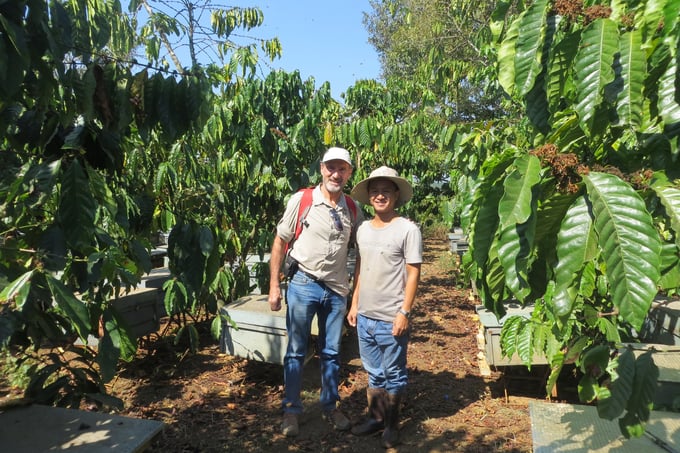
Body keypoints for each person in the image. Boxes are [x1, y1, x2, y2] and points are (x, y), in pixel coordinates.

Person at [268, 147, 363, 437]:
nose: (336, 174)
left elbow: (363, 251)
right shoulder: (303, 199)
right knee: (296, 351)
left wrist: (355, 296)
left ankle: (330, 406)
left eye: (342, 169)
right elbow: (280, 241)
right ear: (321, 168)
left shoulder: (352, 208)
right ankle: (291, 411)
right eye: (331, 168)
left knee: (332, 352)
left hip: (336, 291)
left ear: (349, 173)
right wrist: (274, 285)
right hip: (303, 284)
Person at [347, 166, 422, 448]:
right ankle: (375, 419)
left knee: (394, 373)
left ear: (396, 195)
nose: (380, 196)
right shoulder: (363, 229)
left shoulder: (407, 230)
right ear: (369, 196)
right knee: (374, 372)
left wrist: (404, 312)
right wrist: (354, 304)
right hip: (365, 316)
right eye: (375, 191)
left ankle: (392, 425)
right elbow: (360, 269)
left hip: (391, 318)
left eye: (386, 191)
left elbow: (413, 273)